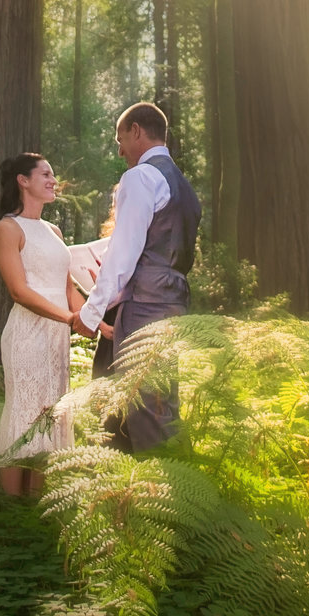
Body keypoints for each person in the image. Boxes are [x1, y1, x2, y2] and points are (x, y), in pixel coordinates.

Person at [72, 102, 198, 452]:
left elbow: (123, 254)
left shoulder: (141, 177)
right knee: (156, 397)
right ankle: (136, 488)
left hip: (143, 304)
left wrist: (91, 311)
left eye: (121, 138)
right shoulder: (183, 186)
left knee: (139, 403)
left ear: (137, 131)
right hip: (172, 302)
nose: (119, 149)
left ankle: (150, 494)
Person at [0, 152, 80, 496]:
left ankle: (36, 506)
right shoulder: (7, 228)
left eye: (53, 175)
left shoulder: (53, 230)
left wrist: (97, 324)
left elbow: (67, 287)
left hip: (57, 336)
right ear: (22, 181)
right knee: (25, 414)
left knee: (51, 416)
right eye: (45, 174)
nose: (53, 180)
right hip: (27, 334)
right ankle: (11, 509)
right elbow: (19, 290)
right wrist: (69, 318)